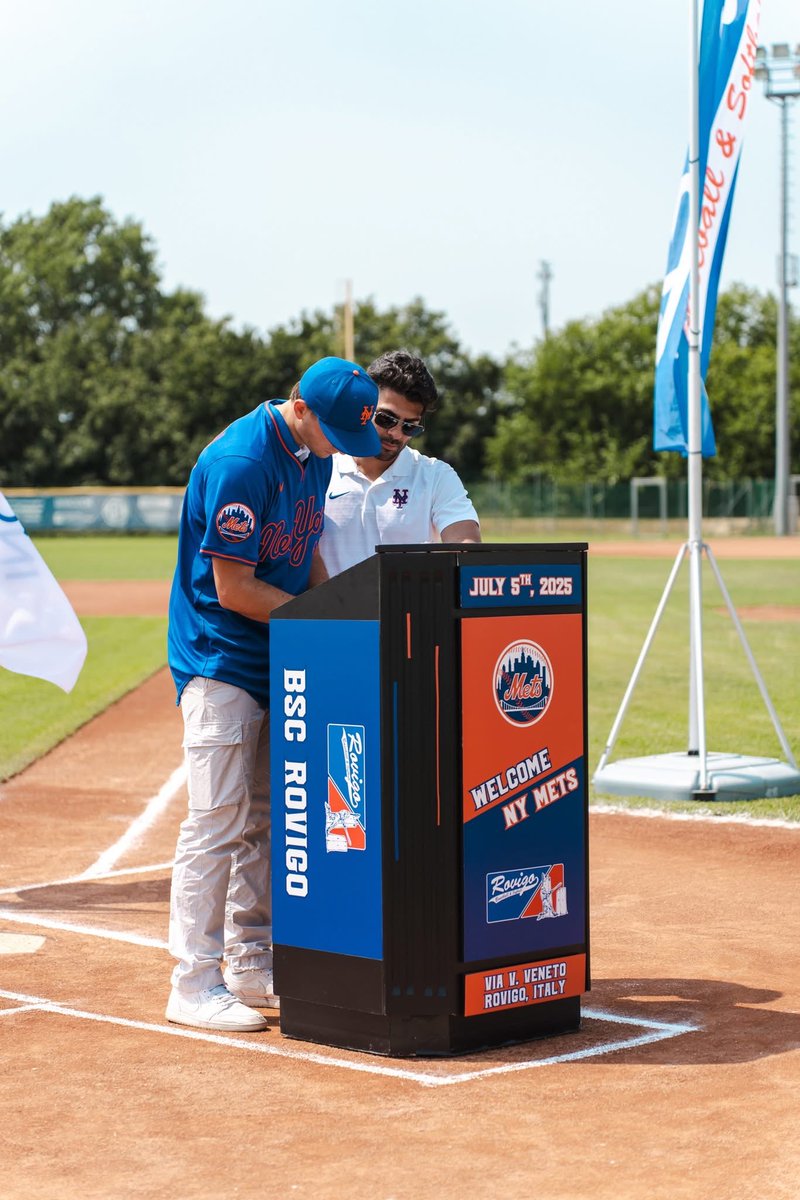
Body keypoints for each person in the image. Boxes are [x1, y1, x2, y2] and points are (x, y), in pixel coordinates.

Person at [165, 357, 380, 1033]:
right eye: (339, 431)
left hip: (278, 657)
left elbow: (307, 548)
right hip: (221, 661)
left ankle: (250, 960)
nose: (345, 446)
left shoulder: (315, 454)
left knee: (266, 819)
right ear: (302, 407)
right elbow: (233, 589)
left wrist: (333, 607)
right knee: (217, 820)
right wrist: (321, 625)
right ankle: (193, 983)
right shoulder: (241, 462)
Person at [317, 349, 480, 576]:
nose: (395, 433)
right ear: (364, 408)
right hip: (329, 610)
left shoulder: (435, 475)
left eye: (409, 426)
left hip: (409, 610)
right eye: (385, 419)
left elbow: (467, 547)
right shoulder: (322, 466)